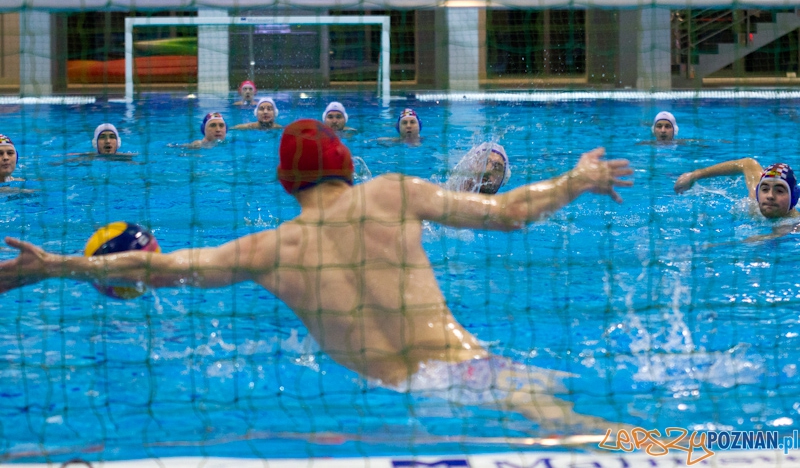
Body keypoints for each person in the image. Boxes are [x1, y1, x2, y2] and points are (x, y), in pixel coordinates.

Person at [0, 119, 633, 430]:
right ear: (348, 168)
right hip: (474, 370)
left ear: (283, 182)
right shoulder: (392, 192)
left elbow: (158, 269)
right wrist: (578, 178)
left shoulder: (268, 249)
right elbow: (512, 214)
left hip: (399, 409)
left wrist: (55, 265)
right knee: (595, 438)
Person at [674, 158, 800, 219]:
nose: (770, 196)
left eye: (779, 191)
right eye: (765, 189)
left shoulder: (794, 224)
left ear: (793, 198)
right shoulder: (754, 200)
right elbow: (747, 163)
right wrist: (695, 175)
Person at [446, 142, 511, 195]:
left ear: (503, 180)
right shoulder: (444, 193)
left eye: (496, 168)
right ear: (470, 166)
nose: (487, 171)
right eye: (482, 162)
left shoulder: (503, 208)